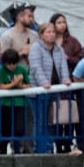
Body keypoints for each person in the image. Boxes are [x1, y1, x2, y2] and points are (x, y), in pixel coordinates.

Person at [27, 23, 71, 155]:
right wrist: (44, 83)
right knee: (40, 121)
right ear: (41, 35)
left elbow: (63, 65)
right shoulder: (35, 48)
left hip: (54, 90)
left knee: (52, 121)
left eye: (53, 32)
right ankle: (40, 149)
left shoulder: (59, 49)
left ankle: (49, 147)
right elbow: (36, 67)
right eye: (48, 32)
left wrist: (66, 79)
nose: (52, 34)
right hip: (39, 91)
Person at [0, 49, 28, 154]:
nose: (12, 67)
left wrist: (20, 85)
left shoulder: (21, 69)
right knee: (5, 129)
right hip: (5, 104)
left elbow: (28, 84)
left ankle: (9, 147)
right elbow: (1, 86)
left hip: (20, 103)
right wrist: (15, 83)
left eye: (14, 64)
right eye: (9, 64)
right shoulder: (1, 70)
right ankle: (1, 148)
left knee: (20, 129)